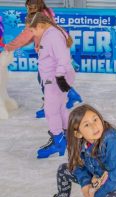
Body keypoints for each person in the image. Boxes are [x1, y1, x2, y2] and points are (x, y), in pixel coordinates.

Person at [4, 0, 82, 118]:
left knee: (45, 80)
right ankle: (71, 94)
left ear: (32, 7)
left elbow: (25, 36)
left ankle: (50, 107)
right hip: (52, 54)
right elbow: (31, 36)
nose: (27, 10)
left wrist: (9, 46)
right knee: (51, 78)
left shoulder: (37, 19)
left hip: (49, 56)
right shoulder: (46, 14)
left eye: (27, 8)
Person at [52, 104, 116, 197]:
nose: (94, 126)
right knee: (63, 169)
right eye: (86, 125)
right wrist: (85, 184)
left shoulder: (112, 141)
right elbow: (76, 165)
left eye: (95, 119)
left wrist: (96, 196)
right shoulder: (80, 144)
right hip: (100, 179)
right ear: (78, 134)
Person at [25, 12, 76, 158]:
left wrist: (59, 76)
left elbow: (63, 58)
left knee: (50, 110)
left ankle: (58, 141)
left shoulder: (52, 36)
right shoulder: (51, 32)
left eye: (33, 30)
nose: (32, 33)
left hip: (55, 78)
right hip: (55, 77)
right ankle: (66, 136)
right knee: (60, 107)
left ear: (40, 25)